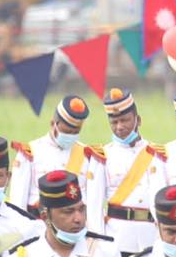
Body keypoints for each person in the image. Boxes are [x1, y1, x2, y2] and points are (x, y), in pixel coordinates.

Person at [8, 95, 106, 227]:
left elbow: (93, 204)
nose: (70, 136)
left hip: (74, 231)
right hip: (39, 229)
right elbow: (18, 203)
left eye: (75, 132)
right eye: (67, 131)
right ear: (53, 123)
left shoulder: (87, 155)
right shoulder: (30, 152)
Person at [99, 87, 167, 257]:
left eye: (125, 120)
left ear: (138, 120)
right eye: (113, 122)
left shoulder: (156, 154)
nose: (119, 127)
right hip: (116, 237)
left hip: (149, 237)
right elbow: (96, 204)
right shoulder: (102, 156)